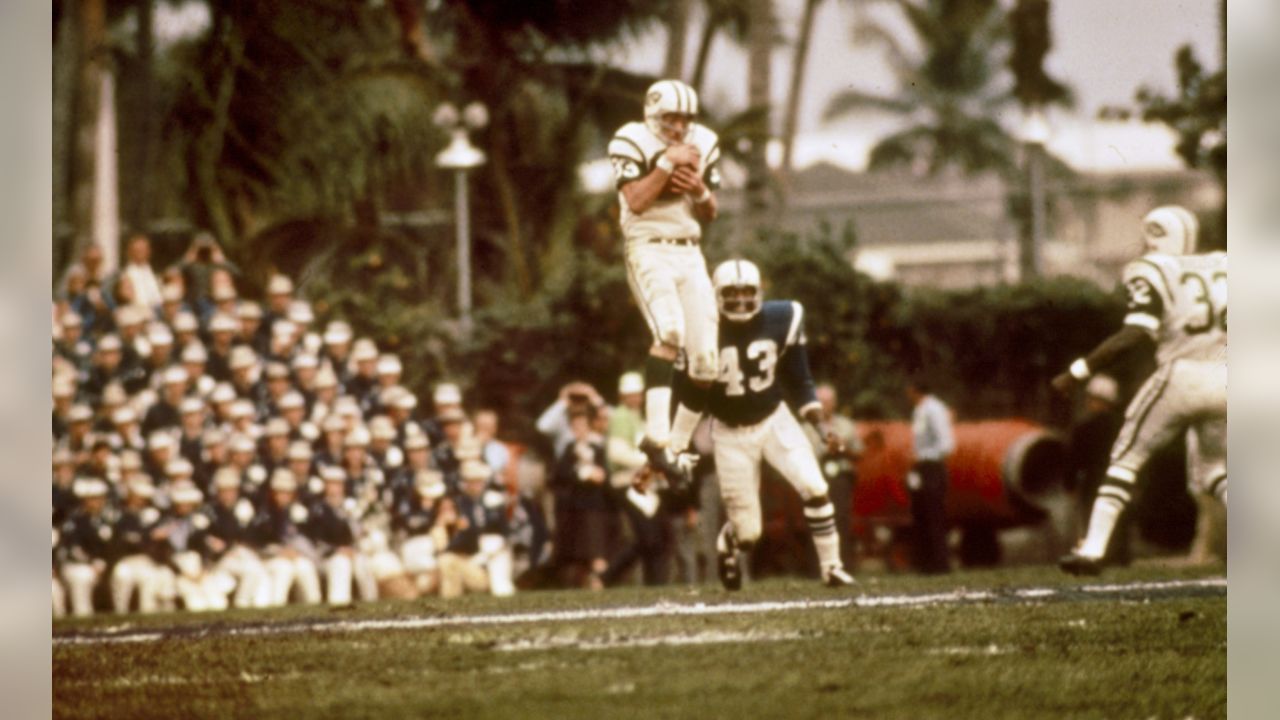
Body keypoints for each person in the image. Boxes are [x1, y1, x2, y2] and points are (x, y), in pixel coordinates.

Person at [1054, 205, 1227, 575]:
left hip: (1182, 375)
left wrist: (1078, 371)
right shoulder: (1224, 264)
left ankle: (1093, 550)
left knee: (1125, 459)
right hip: (1229, 377)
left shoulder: (1154, 270)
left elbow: (1134, 333)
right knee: (1216, 471)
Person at [665, 259, 856, 590]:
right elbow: (682, 393)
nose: (740, 301)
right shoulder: (699, 328)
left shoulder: (784, 317)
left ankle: (832, 567)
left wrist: (823, 429)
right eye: (732, 293)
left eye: (747, 292)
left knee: (815, 486)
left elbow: (799, 378)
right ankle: (730, 543)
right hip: (729, 432)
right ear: (716, 295)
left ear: (760, 292)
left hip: (774, 419)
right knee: (749, 533)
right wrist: (674, 443)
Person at [607, 79, 723, 486]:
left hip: (689, 250)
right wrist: (667, 164)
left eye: (685, 119)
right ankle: (655, 437)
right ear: (653, 115)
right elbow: (636, 201)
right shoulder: (631, 139)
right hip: (648, 245)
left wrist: (700, 189)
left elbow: (710, 212)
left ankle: (672, 449)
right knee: (669, 329)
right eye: (671, 118)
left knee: (708, 364)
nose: (679, 127)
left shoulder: (705, 142)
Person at [1064, 375, 1130, 564]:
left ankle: (1097, 557)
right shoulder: (1124, 427)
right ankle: (1121, 559)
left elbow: (1073, 460)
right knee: (1120, 523)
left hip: (1093, 483)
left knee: (1094, 523)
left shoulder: (1084, 428)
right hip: (1121, 479)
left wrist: (1069, 484)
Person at [803, 383, 864, 568]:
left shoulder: (845, 425)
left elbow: (860, 452)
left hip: (840, 476)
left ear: (834, 403)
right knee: (817, 519)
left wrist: (843, 448)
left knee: (841, 519)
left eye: (828, 402)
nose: (825, 406)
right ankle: (817, 566)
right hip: (817, 475)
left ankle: (844, 564)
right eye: (821, 402)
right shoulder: (805, 428)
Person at [905, 377, 955, 575]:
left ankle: (940, 562)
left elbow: (946, 444)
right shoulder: (919, 411)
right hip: (921, 467)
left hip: (932, 466)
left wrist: (922, 456)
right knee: (921, 514)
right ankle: (925, 562)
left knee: (934, 515)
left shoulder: (935, 409)